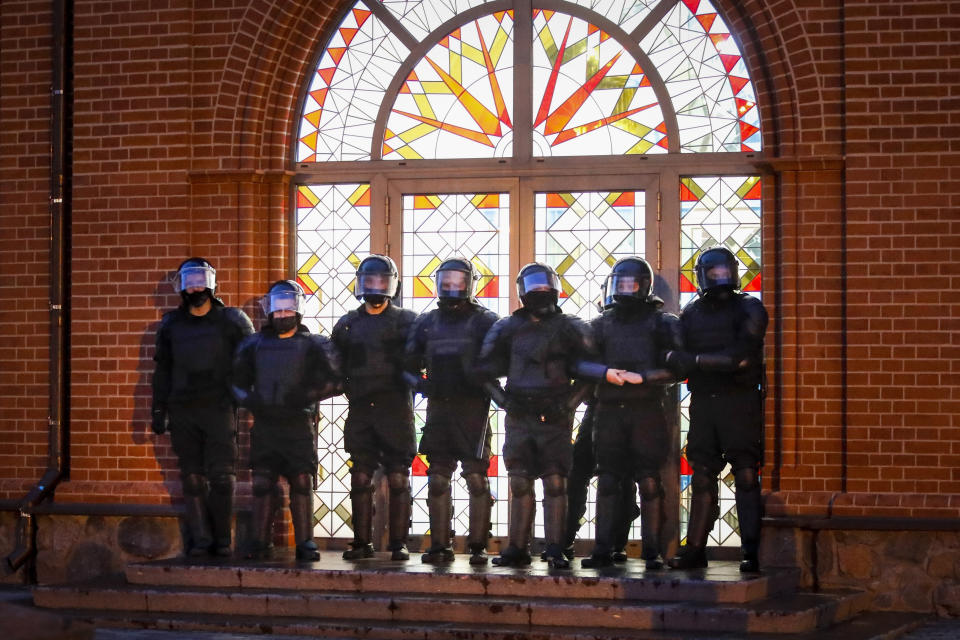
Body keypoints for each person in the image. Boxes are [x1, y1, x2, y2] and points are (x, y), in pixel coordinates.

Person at [477, 262, 611, 569]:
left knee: (555, 482)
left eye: (544, 285)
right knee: (520, 481)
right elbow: (483, 370)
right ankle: (516, 547)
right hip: (519, 412)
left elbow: (591, 371)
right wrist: (505, 402)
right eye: (533, 286)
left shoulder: (572, 327)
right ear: (522, 291)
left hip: (556, 413)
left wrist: (568, 405)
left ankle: (555, 548)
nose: (540, 291)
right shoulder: (506, 327)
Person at [665, 246, 768, 572]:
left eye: (723, 271)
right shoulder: (692, 312)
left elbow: (740, 359)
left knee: (746, 473)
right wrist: (692, 363)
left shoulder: (750, 307)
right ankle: (695, 548)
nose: (719, 277)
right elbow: (677, 360)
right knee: (702, 475)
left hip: (740, 400)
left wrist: (695, 362)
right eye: (713, 273)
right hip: (705, 402)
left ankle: (751, 551)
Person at [581, 256, 682, 570]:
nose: (625, 289)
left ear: (644, 286)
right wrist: (605, 373)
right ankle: (603, 549)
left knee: (649, 481)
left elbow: (679, 365)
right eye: (620, 283)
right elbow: (578, 362)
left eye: (631, 284)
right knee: (609, 480)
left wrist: (646, 377)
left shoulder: (663, 322)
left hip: (647, 409)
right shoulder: (600, 323)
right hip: (609, 409)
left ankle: (652, 551)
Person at [151, 257, 254, 556]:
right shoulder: (171, 324)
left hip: (219, 408)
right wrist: (158, 409)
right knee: (193, 477)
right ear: (182, 287)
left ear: (211, 283)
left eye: (200, 279)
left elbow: (250, 362)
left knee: (222, 477)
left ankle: (222, 539)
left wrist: (246, 396)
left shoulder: (232, 320)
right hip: (183, 409)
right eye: (190, 280)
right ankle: (202, 539)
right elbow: (163, 370)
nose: (196, 286)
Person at [232, 280, 341, 561]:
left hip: (297, 424)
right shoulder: (253, 345)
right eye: (277, 310)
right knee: (262, 482)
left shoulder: (314, 344)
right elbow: (234, 382)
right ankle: (259, 540)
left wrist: (308, 395)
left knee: (302, 481)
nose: (282, 315)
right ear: (270, 312)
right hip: (266, 423)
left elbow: (337, 381)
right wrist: (250, 400)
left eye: (287, 309)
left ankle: (305, 541)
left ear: (298, 310)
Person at [404, 258, 500, 565]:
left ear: (470, 283)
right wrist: (422, 385)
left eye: (458, 281)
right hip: (439, 407)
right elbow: (406, 365)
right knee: (437, 479)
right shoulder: (427, 322)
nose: (452, 286)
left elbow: (503, 360)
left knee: (476, 478)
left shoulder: (485, 320)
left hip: (474, 407)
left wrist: (479, 375)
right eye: (446, 281)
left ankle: (478, 546)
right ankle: (439, 545)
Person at [332, 255, 418, 561]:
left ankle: (398, 543)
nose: (375, 286)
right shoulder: (348, 324)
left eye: (382, 281)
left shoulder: (408, 321)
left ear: (391, 285)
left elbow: (421, 358)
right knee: (360, 476)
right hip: (361, 407)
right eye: (370, 281)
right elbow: (334, 362)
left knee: (398, 477)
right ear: (360, 283)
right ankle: (362, 541)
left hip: (396, 407)